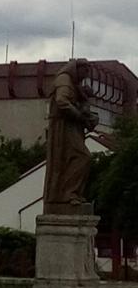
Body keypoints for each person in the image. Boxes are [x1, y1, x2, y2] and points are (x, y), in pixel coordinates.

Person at [43, 59, 99, 208]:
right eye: (85, 71)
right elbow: (62, 101)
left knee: (74, 159)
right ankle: (69, 193)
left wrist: (87, 110)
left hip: (71, 125)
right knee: (82, 157)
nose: (86, 75)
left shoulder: (74, 83)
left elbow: (78, 103)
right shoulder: (64, 80)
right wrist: (79, 116)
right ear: (77, 68)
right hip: (63, 126)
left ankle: (71, 194)